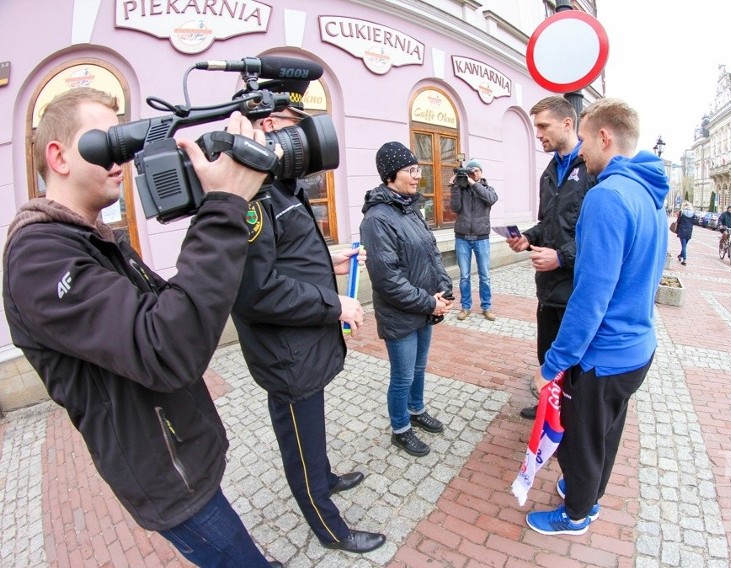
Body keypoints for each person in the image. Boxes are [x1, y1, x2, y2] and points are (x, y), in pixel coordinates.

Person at [3, 88, 282, 567]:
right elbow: (165, 347)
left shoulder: (94, 240)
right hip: (164, 476)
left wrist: (228, 209)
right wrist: (222, 205)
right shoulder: (38, 259)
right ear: (59, 156)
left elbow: (177, 313)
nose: (121, 161)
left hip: (181, 452)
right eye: (107, 142)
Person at [229, 94, 386, 554]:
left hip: (302, 345)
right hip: (286, 355)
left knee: (311, 431)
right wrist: (334, 304)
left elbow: (284, 258)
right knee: (300, 441)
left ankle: (325, 477)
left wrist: (327, 262)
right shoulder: (252, 195)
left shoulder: (281, 187)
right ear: (274, 124)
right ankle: (330, 528)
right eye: (301, 125)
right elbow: (256, 290)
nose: (310, 141)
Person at [524, 98, 668, 537]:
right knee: (605, 433)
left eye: (584, 139)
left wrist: (553, 365)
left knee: (581, 439)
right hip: (636, 347)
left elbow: (590, 297)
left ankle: (576, 513)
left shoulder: (606, 196)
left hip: (603, 352)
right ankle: (589, 492)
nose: (580, 150)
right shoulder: (649, 192)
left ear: (604, 138)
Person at [360, 141, 454, 458]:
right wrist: (430, 303)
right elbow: (388, 280)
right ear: (391, 175)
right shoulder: (377, 220)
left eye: (418, 169)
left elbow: (431, 253)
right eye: (411, 170)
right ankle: (401, 429)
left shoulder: (409, 208)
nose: (417, 177)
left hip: (424, 308)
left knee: (418, 368)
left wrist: (444, 286)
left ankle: (416, 410)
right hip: (401, 314)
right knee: (402, 376)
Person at [505, 95, 596, 420]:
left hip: (576, 290)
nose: (538, 133)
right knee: (547, 353)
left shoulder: (590, 168)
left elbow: (598, 238)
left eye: (543, 125)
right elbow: (549, 222)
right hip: (548, 291)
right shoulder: (549, 171)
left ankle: (569, 423)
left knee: (574, 363)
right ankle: (550, 408)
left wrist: (561, 257)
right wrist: (528, 237)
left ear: (567, 123)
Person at [450, 158, 498, 321]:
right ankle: (465, 307)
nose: (475, 173)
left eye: (477, 170)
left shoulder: (487, 189)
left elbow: (490, 199)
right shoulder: (462, 190)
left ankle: (486, 307)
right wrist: (456, 186)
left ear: (481, 172)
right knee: (464, 276)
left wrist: (473, 183)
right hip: (462, 237)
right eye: (472, 170)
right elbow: (455, 208)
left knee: (484, 275)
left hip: (481, 238)